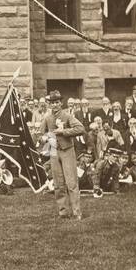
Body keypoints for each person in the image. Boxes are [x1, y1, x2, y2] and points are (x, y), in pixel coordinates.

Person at [41, 91, 85, 221]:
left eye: (57, 102)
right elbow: (40, 133)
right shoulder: (47, 118)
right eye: (52, 103)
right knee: (58, 183)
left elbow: (80, 128)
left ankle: (77, 212)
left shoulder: (67, 116)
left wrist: (64, 131)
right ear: (49, 104)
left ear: (61, 103)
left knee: (71, 182)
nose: (55, 105)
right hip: (54, 151)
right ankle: (63, 212)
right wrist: (44, 138)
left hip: (67, 150)